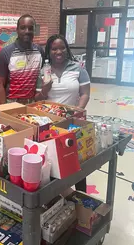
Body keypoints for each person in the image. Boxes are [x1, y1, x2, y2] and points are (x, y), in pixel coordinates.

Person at [36, 34, 90, 192]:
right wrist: (45, 90)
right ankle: (56, 196)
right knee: (53, 161)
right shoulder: (44, 71)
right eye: (54, 49)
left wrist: (78, 110)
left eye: (61, 48)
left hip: (73, 121)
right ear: (49, 51)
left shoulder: (77, 68)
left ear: (66, 49)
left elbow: (85, 93)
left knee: (77, 159)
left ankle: (80, 196)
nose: (58, 51)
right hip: (50, 124)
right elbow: (38, 98)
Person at [0, 14, 44, 105]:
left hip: (33, 104)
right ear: (17, 30)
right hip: (12, 104)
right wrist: (4, 109)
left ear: (34, 30)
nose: (27, 31)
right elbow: (0, 84)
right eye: (23, 28)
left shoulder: (40, 51)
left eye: (30, 28)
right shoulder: (5, 53)